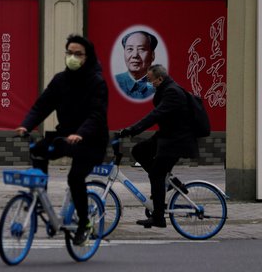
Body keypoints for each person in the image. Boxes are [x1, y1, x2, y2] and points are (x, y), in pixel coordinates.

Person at [15, 34, 109, 245]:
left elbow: (97, 115)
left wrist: (81, 133)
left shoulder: (96, 82)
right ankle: (42, 199)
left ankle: (84, 223)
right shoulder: (60, 80)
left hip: (91, 140)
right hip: (65, 136)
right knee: (38, 151)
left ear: (88, 57)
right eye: (69, 53)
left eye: (78, 54)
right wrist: (26, 125)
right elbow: (42, 105)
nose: (72, 57)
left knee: (75, 178)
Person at [118, 64, 199, 228]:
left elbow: (155, 115)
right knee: (139, 150)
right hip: (167, 136)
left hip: (177, 141)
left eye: (150, 80)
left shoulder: (172, 93)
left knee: (156, 174)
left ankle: (159, 217)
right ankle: (169, 181)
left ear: (160, 79)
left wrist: (132, 129)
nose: (148, 84)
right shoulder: (165, 90)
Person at [114, 30, 158, 100]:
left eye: (141, 49)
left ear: (152, 55)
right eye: (130, 49)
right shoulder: (114, 82)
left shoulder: (161, 86)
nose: (135, 55)